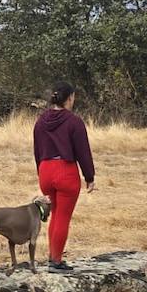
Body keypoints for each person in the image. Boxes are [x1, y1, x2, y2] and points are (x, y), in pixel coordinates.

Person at [32, 81, 95, 270]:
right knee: (63, 217)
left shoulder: (40, 121)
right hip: (65, 171)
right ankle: (56, 260)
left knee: (55, 215)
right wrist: (89, 176)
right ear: (69, 98)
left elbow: (37, 150)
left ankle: (53, 256)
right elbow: (83, 151)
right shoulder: (74, 122)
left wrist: (41, 172)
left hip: (45, 169)